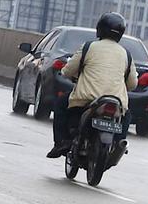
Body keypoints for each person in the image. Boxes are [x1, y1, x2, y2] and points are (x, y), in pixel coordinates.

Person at [47, 12, 138, 158]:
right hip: (116, 101)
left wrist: (68, 74)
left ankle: (61, 142)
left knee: (60, 104)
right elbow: (133, 83)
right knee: (126, 115)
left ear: (100, 28)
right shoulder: (126, 54)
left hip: (87, 98)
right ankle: (119, 143)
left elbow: (68, 71)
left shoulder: (89, 47)